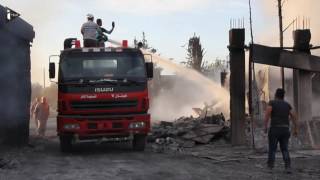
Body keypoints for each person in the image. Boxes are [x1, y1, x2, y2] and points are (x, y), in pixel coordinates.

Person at [264, 88, 298, 173]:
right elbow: (294, 116)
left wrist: (265, 126)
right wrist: (295, 128)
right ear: (283, 96)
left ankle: (270, 167)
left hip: (275, 129)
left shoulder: (272, 102)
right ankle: (288, 166)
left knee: (272, 149)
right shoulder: (287, 105)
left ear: (276, 95)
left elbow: (267, 114)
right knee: (285, 149)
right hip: (285, 129)